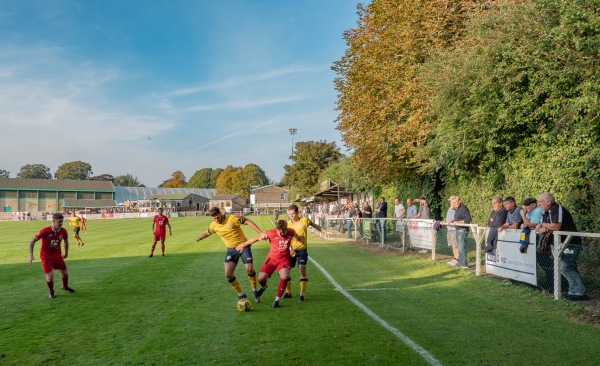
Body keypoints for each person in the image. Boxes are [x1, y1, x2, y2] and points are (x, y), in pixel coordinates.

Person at [195, 207, 267, 302]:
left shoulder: (232, 218)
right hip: (231, 250)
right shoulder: (213, 225)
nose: (216, 220)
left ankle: (254, 290)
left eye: (217, 217)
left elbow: (248, 222)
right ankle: (241, 294)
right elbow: (208, 232)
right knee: (228, 274)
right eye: (214, 218)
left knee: (249, 269)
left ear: (220, 213)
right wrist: (199, 238)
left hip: (244, 246)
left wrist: (261, 233)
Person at [536, 192, 587, 301]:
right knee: (568, 267)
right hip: (560, 243)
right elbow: (538, 228)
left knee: (565, 268)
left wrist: (542, 225)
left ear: (549, 201)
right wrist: (541, 226)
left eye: (541, 201)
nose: (539, 204)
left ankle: (579, 291)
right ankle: (574, 291)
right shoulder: (544, 212)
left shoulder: (557, 208)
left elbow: (556, 226)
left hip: (571, 242)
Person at [238, 220, 299, 308]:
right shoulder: (270, 233)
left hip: (284, 260)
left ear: (286, 229)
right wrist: (242, 245)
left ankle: (276, 301)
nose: (282, 234)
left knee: (285, 276)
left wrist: (299, 239)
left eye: (284, 232)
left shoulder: (291, 231)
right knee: (261, 279)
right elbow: (255, 239)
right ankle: (263, 287)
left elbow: (295, 236)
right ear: (276, 229)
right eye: (280, 232)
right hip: (271, 259)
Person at [285, 204, 331, 302]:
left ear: (297, 213)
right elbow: (285, 238)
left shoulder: (305, 220)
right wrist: (290, 249)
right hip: (291, 250)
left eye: (293, 214)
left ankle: (302, 294)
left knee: (302, 269)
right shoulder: (287, 224)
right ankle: (288, 292)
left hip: (302, 250)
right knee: (286, 272)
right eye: (289, 214)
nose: (291, 216)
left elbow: (315, 226)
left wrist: (325, 232)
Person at [28, 213, 76, 298]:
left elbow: (66, 241)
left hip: (57, 256)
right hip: (46, 257)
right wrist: (30, 255)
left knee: (65, 273)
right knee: (50, 277)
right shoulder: (45, 231)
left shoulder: (63, 231)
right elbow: (32, 241)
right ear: (53, 221)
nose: (61, 223)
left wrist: (66, 253)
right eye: (59, 221)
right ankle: (51, 292)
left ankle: (65, 286)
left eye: (62, 221)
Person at [448, 196, 472, 269]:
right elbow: (458, 219)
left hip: (462, 230)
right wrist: (453, 221)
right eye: (453, 202)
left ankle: (464, 265)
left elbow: (468, 219)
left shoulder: (463, 208)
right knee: (459, 248)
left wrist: (457, 222)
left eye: (455, 202)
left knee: (461, 248)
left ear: (459, 201)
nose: (454, 204)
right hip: (458, 230)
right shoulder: (457, 209)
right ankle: (461, 264)